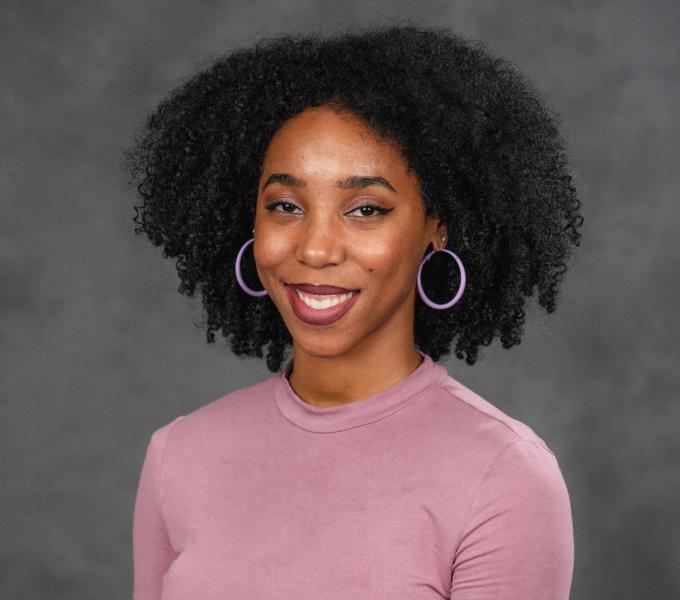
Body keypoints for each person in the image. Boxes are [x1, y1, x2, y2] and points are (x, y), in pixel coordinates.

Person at [126, 24, 582, 600]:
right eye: (286, 205)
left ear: (436, 226)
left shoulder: (506, 476)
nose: (315, 249)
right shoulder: (179, 455)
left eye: (365, 209)